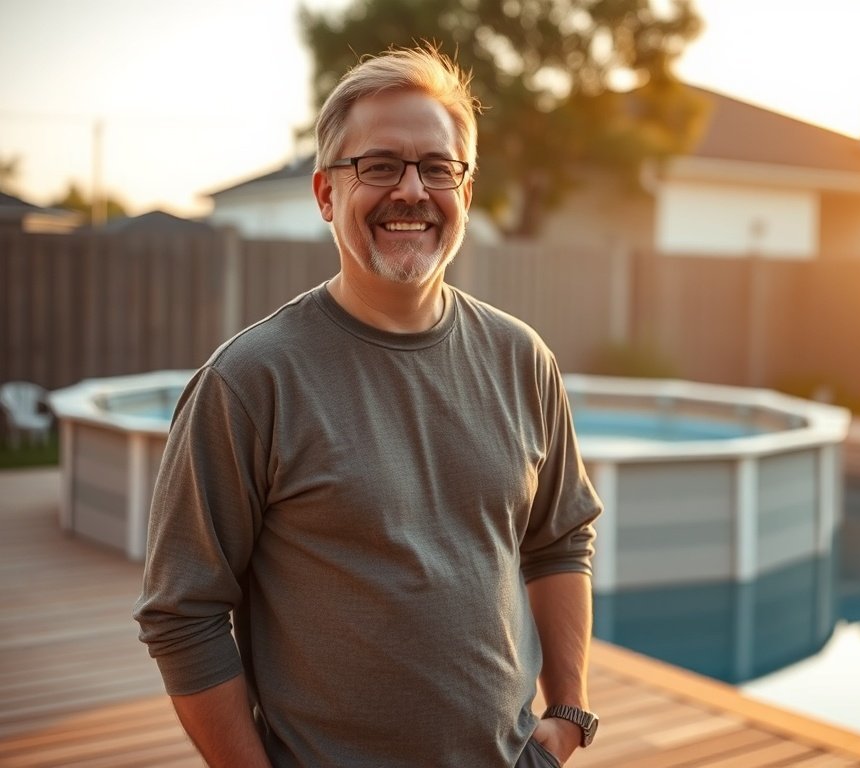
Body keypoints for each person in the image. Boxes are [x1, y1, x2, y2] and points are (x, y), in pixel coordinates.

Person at [134, 45, 602, 768]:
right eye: (378, 165)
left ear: (466, 193)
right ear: (326, 194)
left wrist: (566, 713)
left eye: (437, 167)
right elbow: (182, 613)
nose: (411, 191)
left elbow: (560, 539)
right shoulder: (250, 382)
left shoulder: (522, 358)